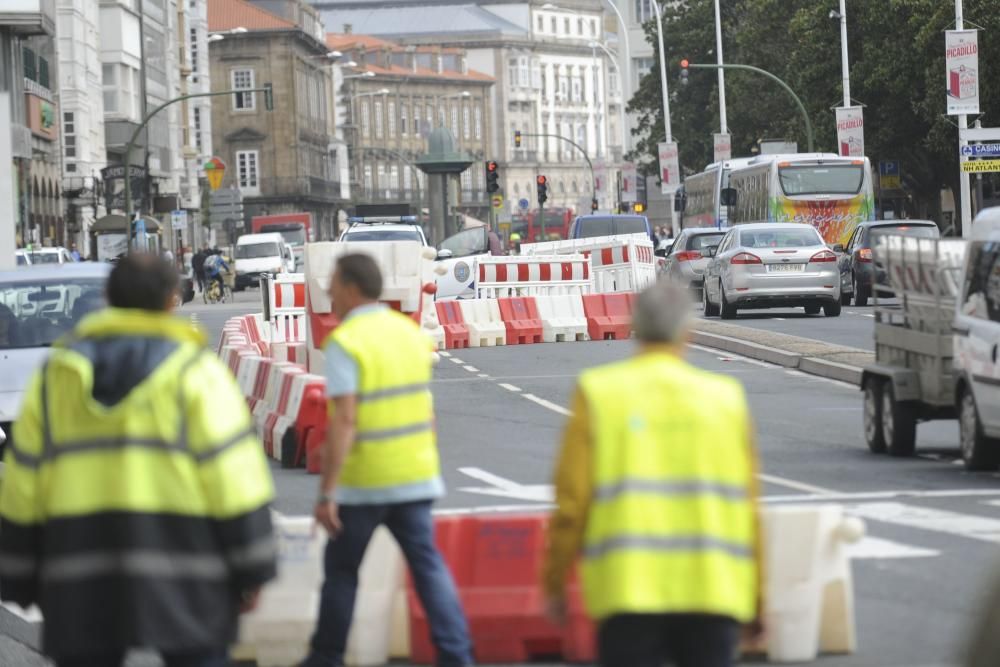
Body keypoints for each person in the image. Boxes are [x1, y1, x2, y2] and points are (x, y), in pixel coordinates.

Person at [0, 253, 277, 667]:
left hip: (79, 574)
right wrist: (253, 568)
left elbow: (23, 482)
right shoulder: (197, 374)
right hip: (187, 572)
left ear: (109, 297)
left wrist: (17, 572)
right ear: (172, 300)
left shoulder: (56, 376)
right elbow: (234, 476)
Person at [542, 280, 763, 667]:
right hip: (713, 591)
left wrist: (555, 579)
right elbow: (749, 510)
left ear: (634, 327)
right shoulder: (726, 399)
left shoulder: (598, 393)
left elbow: (572, 501)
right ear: (689, 332)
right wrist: (759, 595)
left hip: (628, 591)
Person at [302, 254, 472, 667]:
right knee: (428, 570)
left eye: (334, 286)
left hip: (365, 481)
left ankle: (325, 658)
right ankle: (456, 656)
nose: (329, 294)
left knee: (342, 572)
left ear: (352, 288)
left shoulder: (346, 341)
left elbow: (345, 419)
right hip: (415, 473)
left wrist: (327, 492)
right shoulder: (410, 335)